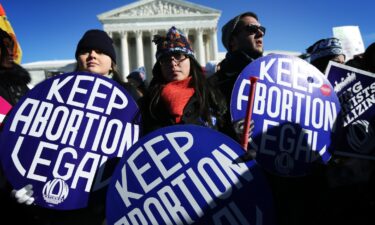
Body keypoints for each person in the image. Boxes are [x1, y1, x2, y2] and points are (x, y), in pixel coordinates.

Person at [11, 29, 142, 225]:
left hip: (106, 199)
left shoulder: (131, 97)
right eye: (86, 51)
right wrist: (21, 178)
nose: (92, 56)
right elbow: (34, 139)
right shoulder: (56, 93)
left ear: (112, 62)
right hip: (58, 200)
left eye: (100, 51)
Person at [141, 26, 227, 134]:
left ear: (190, 60)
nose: (173, 63)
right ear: (160, 67)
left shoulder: (214, 95)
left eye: (178, 56)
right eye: (166, 59)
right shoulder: (146, 105)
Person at [0, 27, 39, 224]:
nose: (9, 52)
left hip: (30, 183)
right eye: (3, 47)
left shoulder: (22, 86)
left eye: (10, 46)